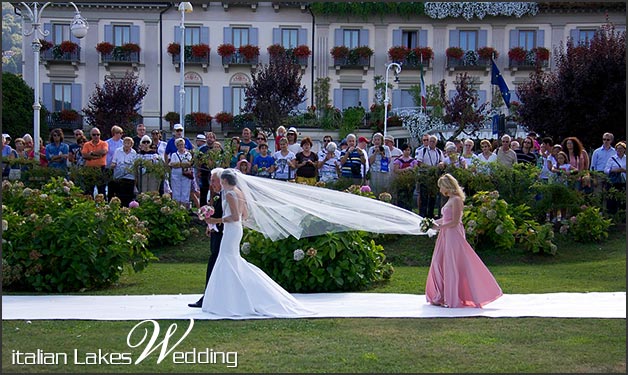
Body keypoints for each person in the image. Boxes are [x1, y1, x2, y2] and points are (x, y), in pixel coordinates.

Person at [201, 169, 314, 317]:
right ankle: (232, 297)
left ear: (226, 181)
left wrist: (215, 220)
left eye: (221, 180)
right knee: (231, 260)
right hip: (236, 230)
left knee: (227, 259)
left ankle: (230, 299)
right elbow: (245, 215)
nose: (219, 183)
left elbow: (234, 217)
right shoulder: (239, 193)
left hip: (231, 230)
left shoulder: (229, 194)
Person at [425, 173, 503, 308]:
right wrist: (430, 223)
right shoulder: (450, 199)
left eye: (441, 187)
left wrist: (439, 227)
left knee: (453, 264)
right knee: (439, 262)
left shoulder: (456, 200)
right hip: (445, 234)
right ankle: (442, 295)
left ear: (447, 186)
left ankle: (454, 296)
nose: (440, 190)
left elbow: (455, 222)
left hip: (453, 234)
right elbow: (446, 219)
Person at [189, 167, 225, 308]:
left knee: (215, 264)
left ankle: (208, 297)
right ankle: (210, 296)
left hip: (223, 235)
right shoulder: (221, 195)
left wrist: (213, 222)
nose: (212, 184)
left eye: (214, 180)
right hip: (218, 232)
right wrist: (210, 225)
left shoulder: (227, 196)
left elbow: (232, 217)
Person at [604, 141, 626, 215]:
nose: (619, 150)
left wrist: (624, 170)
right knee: (612, 199)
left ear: (624, 150)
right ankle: (611, 214)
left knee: (623, 198)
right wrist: (614, 170)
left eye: (621, 149)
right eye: (618, 149)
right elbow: (606, 170)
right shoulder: (612, 159)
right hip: (614, 182)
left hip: (624, 181)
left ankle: (622, 215)